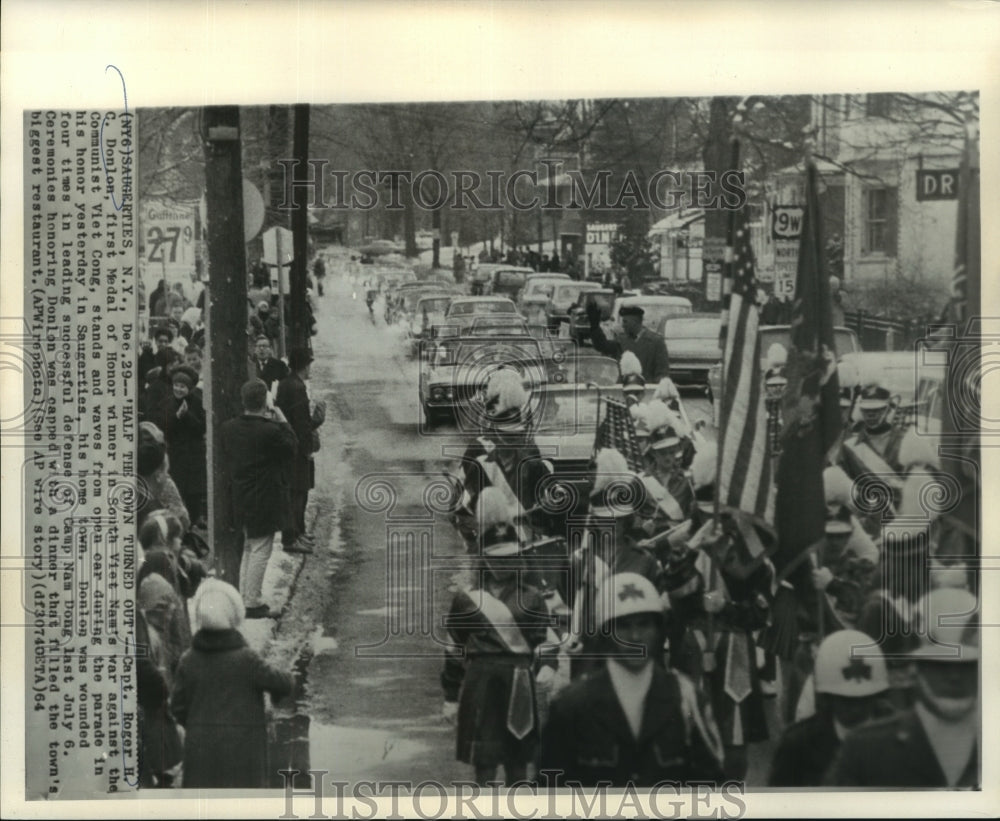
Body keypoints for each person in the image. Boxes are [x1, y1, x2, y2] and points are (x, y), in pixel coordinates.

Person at [540, 572, 725, 786]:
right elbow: (551, 793)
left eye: (644, 624)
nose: (635, 637)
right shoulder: (573, 704)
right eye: (624, 626)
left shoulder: (686, 698)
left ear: (658, 629)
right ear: (605, 633)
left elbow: (710, 785)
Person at [440, 492, 554, 786]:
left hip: (519, 683)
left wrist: (548, 664)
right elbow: (455, 648)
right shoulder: (468, 601)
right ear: (484, 560)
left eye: (509, 558)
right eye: (495, 559)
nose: (502, 565)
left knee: (518, 766)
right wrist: (451, 696)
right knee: (485, 765)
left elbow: (543, 639)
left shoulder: (532, 598)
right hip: (481, 683)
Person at [831, 588, 979, 787]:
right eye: (940, 665)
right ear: (918, 668)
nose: (954, 677)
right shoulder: (865, 749)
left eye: (966, 665)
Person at [170, 579, 294, 788]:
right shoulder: (247, 659)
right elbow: (283, 683)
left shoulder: (189, 660)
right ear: (234, 616)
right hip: (244, 751)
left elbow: (178, 707)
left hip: (201, 752)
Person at [769, 630, 891, 786]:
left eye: (864, 699)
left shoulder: (898, 739)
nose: (856, 709)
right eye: (845, 699)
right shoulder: (798, 745)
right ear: (828, 698)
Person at [221, 379, 298, 618]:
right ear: (265, 400)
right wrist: (282, 420)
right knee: (261, 549)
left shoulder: (228, 428)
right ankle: (252, 601)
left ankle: (244, 596)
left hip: (240, 495)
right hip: (265, 496)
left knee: (248, 547)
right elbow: (292, 448)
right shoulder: (271, 431)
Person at [275, 347, 324, 555]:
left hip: (291, 446)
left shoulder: (288, 383)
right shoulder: (297, 387)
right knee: (297, 493)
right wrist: (317, 421)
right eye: (309, 364)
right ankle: (292, 536)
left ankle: (298, 531)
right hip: (296, 449)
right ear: (304, 365)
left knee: (299, 492)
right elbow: (301, 423)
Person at [157, 366, 207, 527]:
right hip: (176, 451)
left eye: (182, 386)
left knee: (194, 488)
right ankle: (178, 519)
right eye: (176, 385)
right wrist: (177, 417)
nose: (178, 389)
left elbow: (202, 427)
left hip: (194, 451)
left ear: (189, 388)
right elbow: (163, 427)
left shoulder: (198, 402)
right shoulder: (167, 403)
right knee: (177, 486)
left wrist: (187, 416)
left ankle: (195, 517)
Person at [587, 302, 670, 382]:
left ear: (635, 322)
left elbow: (662, 372)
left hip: (645, 391)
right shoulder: (621, 340)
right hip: (624, 390)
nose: (623, 325)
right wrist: (595, 327)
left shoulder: (656, 342)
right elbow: (602, 346)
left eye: (625, 321)